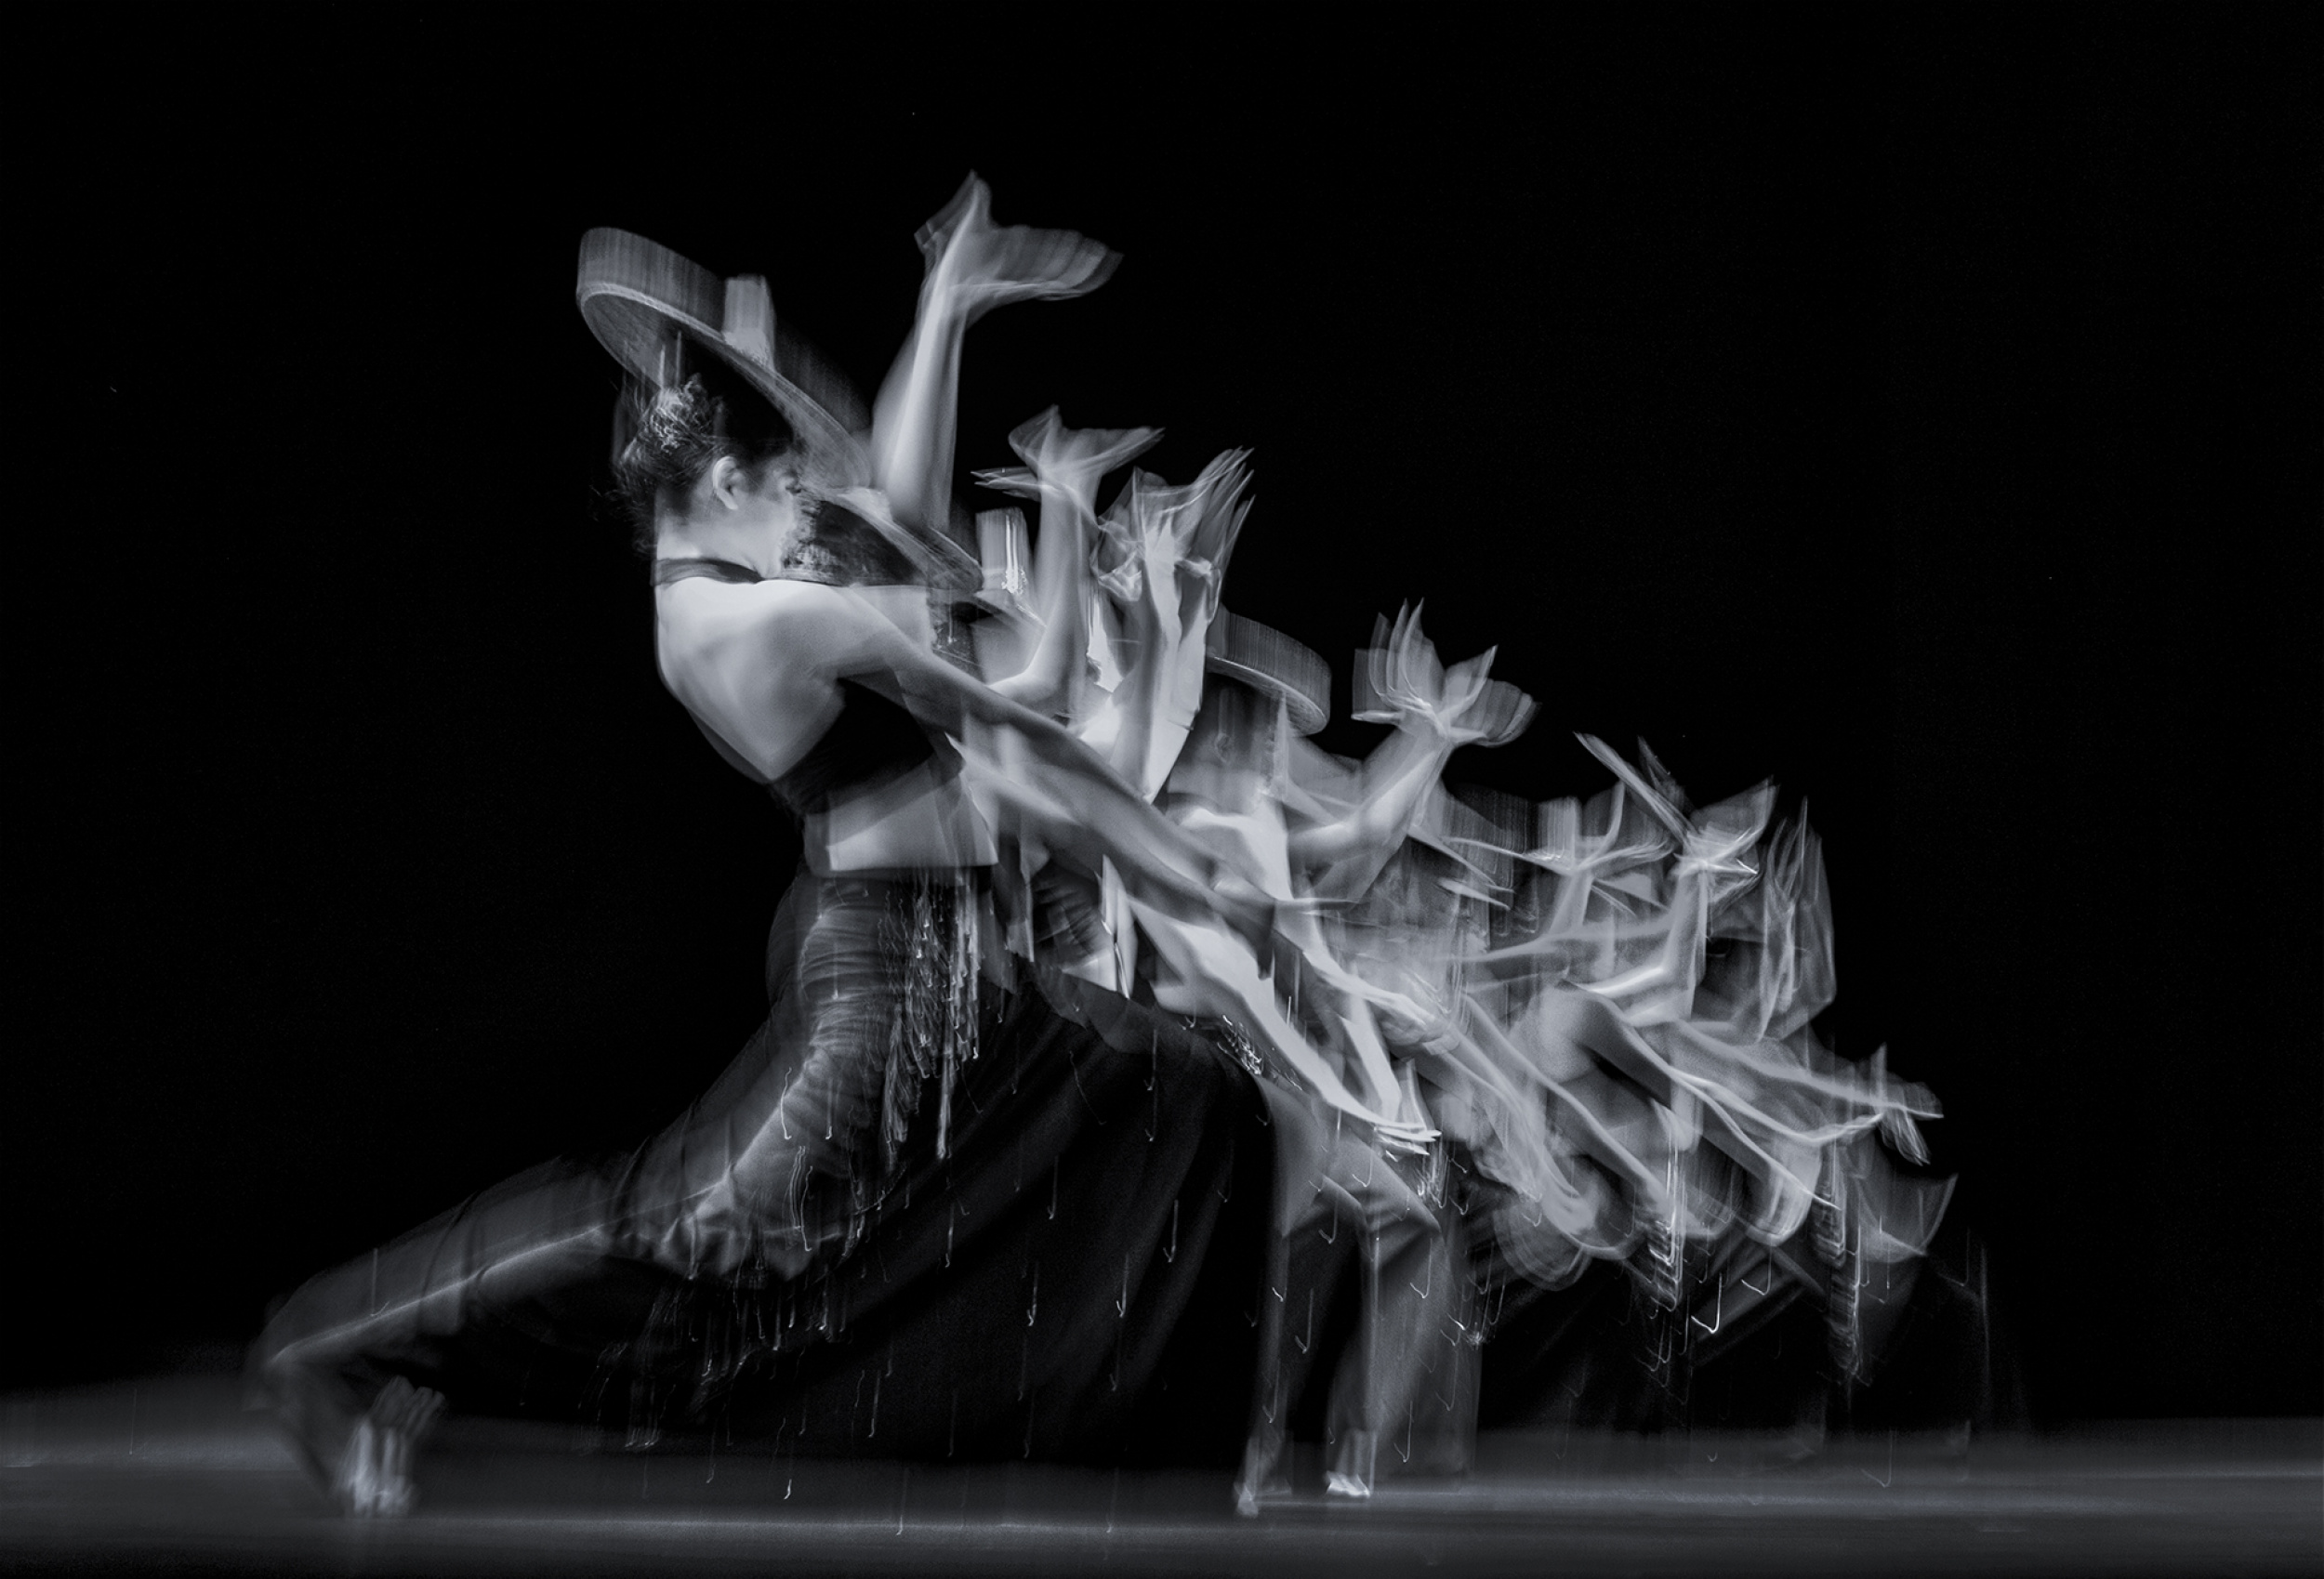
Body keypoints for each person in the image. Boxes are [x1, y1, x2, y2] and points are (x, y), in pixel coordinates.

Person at [251, 178, 1284, 1516]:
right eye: (785, 483)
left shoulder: (730, 593)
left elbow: (896, 531)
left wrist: (947, 303)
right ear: (727, 483)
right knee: (714, 1231)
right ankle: (327, 1351)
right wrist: (1170, 849)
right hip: (890, 965)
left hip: (938, 951)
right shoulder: (759, 622)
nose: (807, 501)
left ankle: (1127, 1430)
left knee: (1179, 1099)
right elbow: (980, 660)